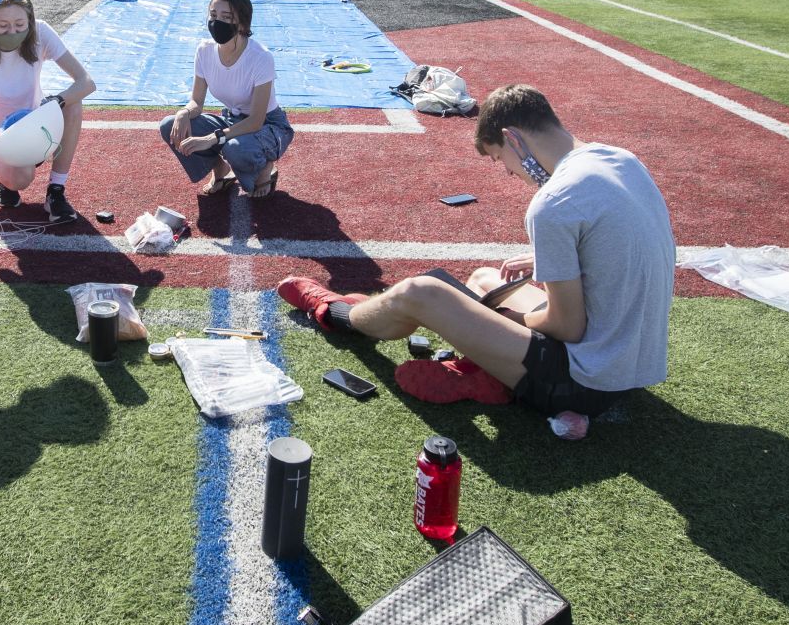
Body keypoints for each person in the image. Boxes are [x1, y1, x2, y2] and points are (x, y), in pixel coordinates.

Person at [277, 83, 674, 425]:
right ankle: (485, 374)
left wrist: (504, 316)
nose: (508, 173)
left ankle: (334, 313)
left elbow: (567, 326)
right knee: (486, 278)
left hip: (582, 383)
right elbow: (623, 242)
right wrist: (536, 269)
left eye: (501, 158)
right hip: (631, 364)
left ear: (514, 138)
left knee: (422, 291)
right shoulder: (620, 159)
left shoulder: (553, 202)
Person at [0, 0, 96, 222]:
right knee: (21, 178)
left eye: (20, 25)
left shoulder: (40, 32)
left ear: (30, 20)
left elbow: (86, 82)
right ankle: (7, 182)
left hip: (36, 128)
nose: (13, 31)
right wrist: (12, 132)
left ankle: (56, 192)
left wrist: (56, 101)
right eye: (3, 26)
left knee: (72, 102)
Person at [159, 0, 294, 199]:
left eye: (226, 17)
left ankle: (265, 167)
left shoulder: (261, 57)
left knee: (235, 148)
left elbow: (257, 120)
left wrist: (212, 138)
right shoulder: (204, 50)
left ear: (242, 22)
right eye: (213, 15)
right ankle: (220, 169)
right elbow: (196, 101)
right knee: (170, 125)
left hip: (268, 126)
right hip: (232, 121)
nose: (216, 22)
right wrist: (184, 112)